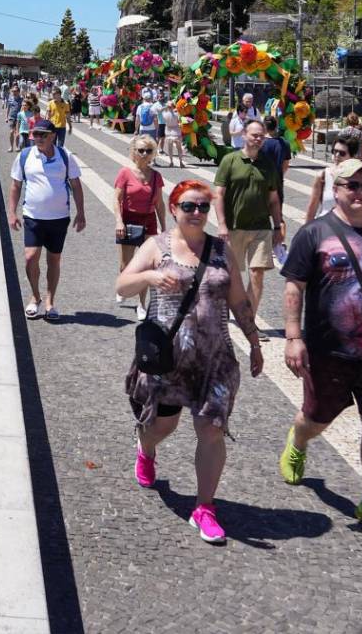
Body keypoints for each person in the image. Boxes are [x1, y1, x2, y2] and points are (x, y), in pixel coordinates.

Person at [116, 179, 263, 544]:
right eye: (188, 206)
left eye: (202, 207)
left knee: (211, 430)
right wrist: (149, 275)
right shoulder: (157, 246)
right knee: (162, 427)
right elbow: (122, 285)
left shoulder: (221, 250)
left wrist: (255, 341)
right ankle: (146, 448)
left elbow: (240, 300)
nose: (196, 213)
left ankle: (204, 507)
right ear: (174, 207)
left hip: (213, 357)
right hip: (169, 358)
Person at [279, 159, 362, 539]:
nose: (359, 192)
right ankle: (299, 439)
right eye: (351, 185)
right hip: (329, 350)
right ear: (335, 190)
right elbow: (294, 287)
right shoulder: (315, 233)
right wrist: (293, 337)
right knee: (316, 419)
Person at [9, 120, 87, 321]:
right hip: (33, 216)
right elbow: (16, 185)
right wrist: (12, 213)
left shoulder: (65, 156)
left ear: (52, 136)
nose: (37, 138)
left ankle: (50, 301)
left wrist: (81, 212)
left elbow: (76, 185)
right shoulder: (25, 155)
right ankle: (35, 297)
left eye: (43, 134)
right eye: (35, 134)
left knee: (54, 259)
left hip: (59, 217)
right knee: (30, 257)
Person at [212, 120, 284, 332]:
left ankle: (248, 320)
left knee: (257, 273)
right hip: (235, 227)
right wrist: (222, 224)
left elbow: (273, 199)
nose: (258, 139)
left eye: (261, 136)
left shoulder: (268, 163)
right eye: (254, 135)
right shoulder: (230, 160)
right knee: (230, 274)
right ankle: (225, 310)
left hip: (261, 227)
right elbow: (219, 194)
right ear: (244, 135)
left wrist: (278, 225)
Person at [114, 135, 168, 320]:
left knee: (145, 266)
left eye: (149, 151)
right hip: (129, 219)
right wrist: (119, 221)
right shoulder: (125, 173)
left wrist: (164, 227)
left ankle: (142, 304)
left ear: (153, 153)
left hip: (148, 220)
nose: (145, 154)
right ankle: (124, 284)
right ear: (133, 152)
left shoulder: (156, 176)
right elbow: (117, 199)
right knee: (126, 265)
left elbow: (160, 204)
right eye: (141, 150)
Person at [303, 133, 360, 222]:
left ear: (352, 156)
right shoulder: (323, 175)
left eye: (342, 153)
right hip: (326, 229)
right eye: (335, 151)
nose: (337, 155)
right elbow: (311, 210)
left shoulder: (359, 178)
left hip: (350, 231)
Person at [258, 114, 293, 195]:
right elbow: (286, 164)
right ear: (276, 126)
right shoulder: (285, 143)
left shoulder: (260, 142)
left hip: (262, 179)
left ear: (265, 127)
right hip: (277, 180)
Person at [159, 93, 186, 168]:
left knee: (170, 148)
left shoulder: (165, 114)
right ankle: (181, 162)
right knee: (179, 148)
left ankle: (171, 162)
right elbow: (180, 121)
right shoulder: (177, 114)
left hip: (168, 131)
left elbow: (159, 111)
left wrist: (165, 107)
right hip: (176, 131)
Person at [5, 85, 23, 152]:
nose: (13, 92)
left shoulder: (21, 100)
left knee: (17, 133)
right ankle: (11, 147)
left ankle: (17, 146)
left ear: (18, 92)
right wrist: (6, 117)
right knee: (11, 132)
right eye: (13, 91)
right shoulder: (10, 99)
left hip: (19, 118)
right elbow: (8, 108)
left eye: (15, 91)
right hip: (12, 117)